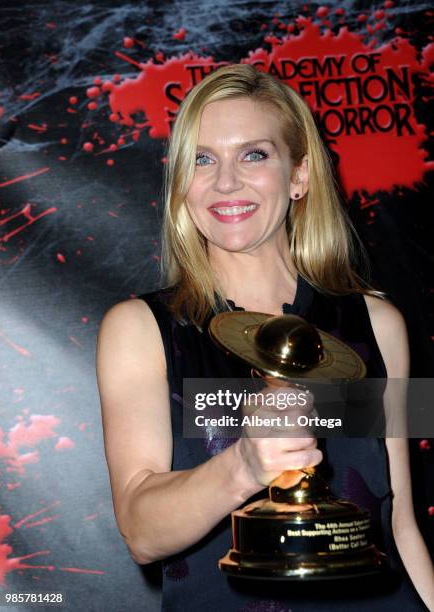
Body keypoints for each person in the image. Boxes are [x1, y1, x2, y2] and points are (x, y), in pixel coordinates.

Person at [96, 64, 434, 611]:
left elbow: (399, 525)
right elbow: (140, 531)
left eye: (254, 155)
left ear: (299, 174)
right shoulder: (141, 328)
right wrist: (245, 467)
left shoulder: (379, 324)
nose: (225, 182)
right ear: (181, 181)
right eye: (202, 159)